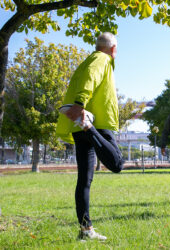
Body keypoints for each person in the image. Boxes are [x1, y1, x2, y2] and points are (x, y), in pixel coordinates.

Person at [56, 32, 124, 241]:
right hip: (95, 122)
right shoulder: (101, 59)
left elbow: (83, 79)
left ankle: (86, 231)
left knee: (84, 179)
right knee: (117, 164)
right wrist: (80, 104)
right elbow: (90, 79)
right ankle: (88, 126)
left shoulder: (87, 61)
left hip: (80, 124)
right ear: (113, 49)